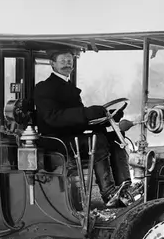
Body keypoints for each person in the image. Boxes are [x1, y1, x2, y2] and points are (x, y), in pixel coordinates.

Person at [33, 49, 134, 208]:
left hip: (72, 137)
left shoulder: (68, 87)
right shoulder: (44, 88)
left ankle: (125, 188)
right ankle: (108, 193)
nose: (67, 64)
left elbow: (79, 121)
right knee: (97, 140)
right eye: (63, 61)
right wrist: (87, 113)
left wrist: (108, 118)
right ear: (52, 63)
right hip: (56, 141)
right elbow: (54, 118)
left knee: (114, 137)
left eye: (69, 61)